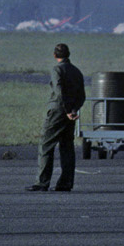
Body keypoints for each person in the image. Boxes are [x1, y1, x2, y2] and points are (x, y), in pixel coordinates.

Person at [26, 43, 85, 192]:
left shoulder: (57, 69)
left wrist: (65, 110)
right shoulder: (76, 71)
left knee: (46, 145)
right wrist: (73, 110)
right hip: (70, 113)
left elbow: (58, 91)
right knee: (67, 147)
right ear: (69, 54)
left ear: (54, 55)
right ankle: (66, 183)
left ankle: (42, 182)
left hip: (57, 111)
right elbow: (82, 96)